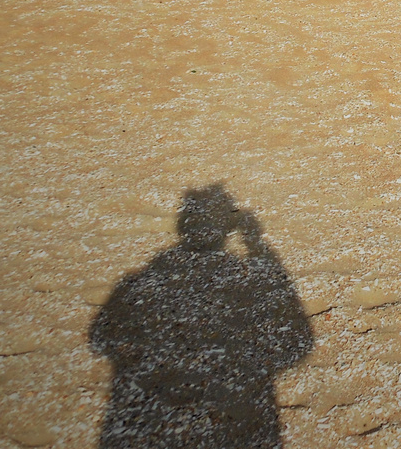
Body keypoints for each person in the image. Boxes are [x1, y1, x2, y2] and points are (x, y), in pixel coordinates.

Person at [88, 185, 313, 449]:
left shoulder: (136, 283)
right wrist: (256, 243)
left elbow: (99, 338)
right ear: (226, 230)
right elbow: (298, 344)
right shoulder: (249, 279)